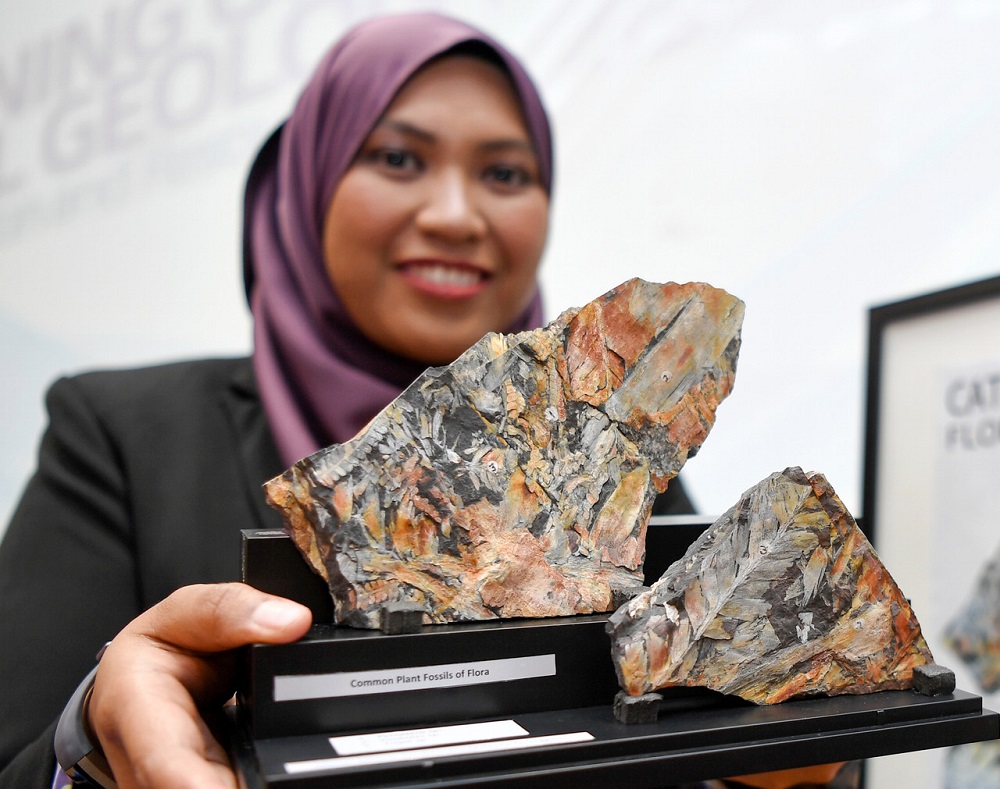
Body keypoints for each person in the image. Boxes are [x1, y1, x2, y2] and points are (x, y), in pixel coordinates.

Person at [0, 12, 842, 789]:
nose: (455, 215)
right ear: (308, 182)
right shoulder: (123, 436)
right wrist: (90, 737)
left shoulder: (611, 454)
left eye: (504, 172)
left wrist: (777, 764)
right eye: (399, 159)